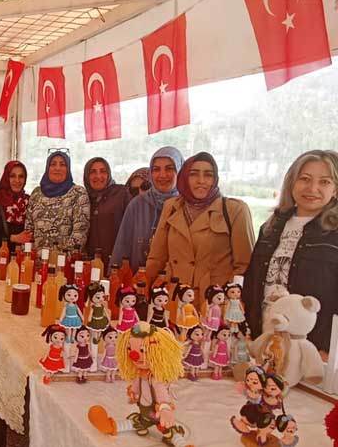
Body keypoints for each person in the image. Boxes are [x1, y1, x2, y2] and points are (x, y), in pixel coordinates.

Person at [244, 150, 338, 355]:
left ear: (335, 190)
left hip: (312, 350)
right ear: (292, 183)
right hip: (262, 340)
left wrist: (328, 349)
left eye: (324, 182)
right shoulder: (271, 227)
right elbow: (251, 283)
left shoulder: (334, 234)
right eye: (305, 179)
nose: (312, 188)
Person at [145, 152, 255, 308]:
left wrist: (232, 302)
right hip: (174, 298)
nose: (201, 181)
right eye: (194, 174)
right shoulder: (171, 207)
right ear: (184, 177)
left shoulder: (235, 210)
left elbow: (244, 266)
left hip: (214, 301)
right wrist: (144, 289)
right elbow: (157, 257)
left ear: (215, 179)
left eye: (208, 175)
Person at [110, 146, 184, 272]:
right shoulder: (137, 205)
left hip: (176, 281)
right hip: (139, 279)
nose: (162, 175)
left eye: (169, 168)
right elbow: (122, 247)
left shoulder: (186, 206)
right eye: (156, 169)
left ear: (180, 171)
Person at [24, 150, 90, 252]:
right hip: (36, 259)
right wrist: (29, 256)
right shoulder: (36, 194)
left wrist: (59, 258)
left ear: (68, 169)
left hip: (65, 260)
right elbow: (28, 231)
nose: (57, 168)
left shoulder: (78, 193)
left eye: (62, 164)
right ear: (47, 168)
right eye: (53, 164)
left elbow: (79, 235)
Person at [83, 157, 130, 266]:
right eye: (93, 172)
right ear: (86, 176)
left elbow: (132, 226)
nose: (98, 176)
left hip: (116, 260)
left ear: (108, 174)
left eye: (103, 171)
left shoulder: (121, 193)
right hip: (90, 262)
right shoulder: (83, 198)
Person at [0, 160, 31, 256]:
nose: (17, 180)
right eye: (12, 176)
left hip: (24, 258)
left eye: (21, 176)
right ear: (6, 177)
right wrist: (13, 238)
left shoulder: (30, 202)